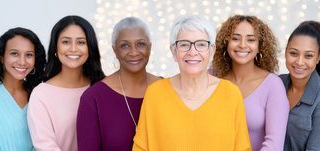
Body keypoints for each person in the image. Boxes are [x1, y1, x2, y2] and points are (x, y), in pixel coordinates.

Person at [132, 15, 251, 150]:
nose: (192, 52)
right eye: (184, 44)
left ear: (212, 51)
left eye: (201, 44)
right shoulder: (155, 93)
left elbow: (242, 148)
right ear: (174, 52)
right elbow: (141, 147)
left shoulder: (231, 93)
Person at [77, 17, 161, 151]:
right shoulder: (93, 98)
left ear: (150, 47)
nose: (134, 52)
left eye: (140, 44)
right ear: (114, 49)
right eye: (124, 45)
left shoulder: (168, 90)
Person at [27, 15, 105, 151]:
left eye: (81, 42)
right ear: (56, 47)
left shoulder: (103, 89)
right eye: (66, 42)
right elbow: (45, 146)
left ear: (90, 48)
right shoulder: (41, 94)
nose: (73, 49)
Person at [212, 15, 289, 151]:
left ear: (260, 46)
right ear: (226, 43)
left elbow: (274, 145)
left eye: (251, 40)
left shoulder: (273, 85)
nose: (242, 45)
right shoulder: (211, 77)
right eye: (235, 38)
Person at [0, 27, 46, 150]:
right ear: (1, 57)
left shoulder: (38, 95)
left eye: (29, 55)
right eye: (14, 53)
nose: (22, 62)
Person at [279, 23, 320, 150]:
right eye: (294, 53)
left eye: (308, 56)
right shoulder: (276, 83)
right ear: (285, 53)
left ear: (318, 58)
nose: (300, 62)